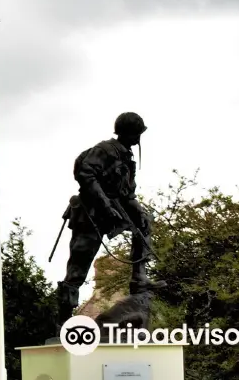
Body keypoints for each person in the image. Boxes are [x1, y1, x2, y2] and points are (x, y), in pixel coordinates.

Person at [56, 112, 166, 324]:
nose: (137, 138)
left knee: (144, 223)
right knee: (78, 266)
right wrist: (105, 205)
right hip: (90, 214)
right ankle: (63, 318)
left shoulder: (126, 157)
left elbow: (128, 194)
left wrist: (139, 212)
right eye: (135, 133)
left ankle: (139, 279)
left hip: (114, 210)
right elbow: (85, 174)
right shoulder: (104, 149)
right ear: (126, 132)